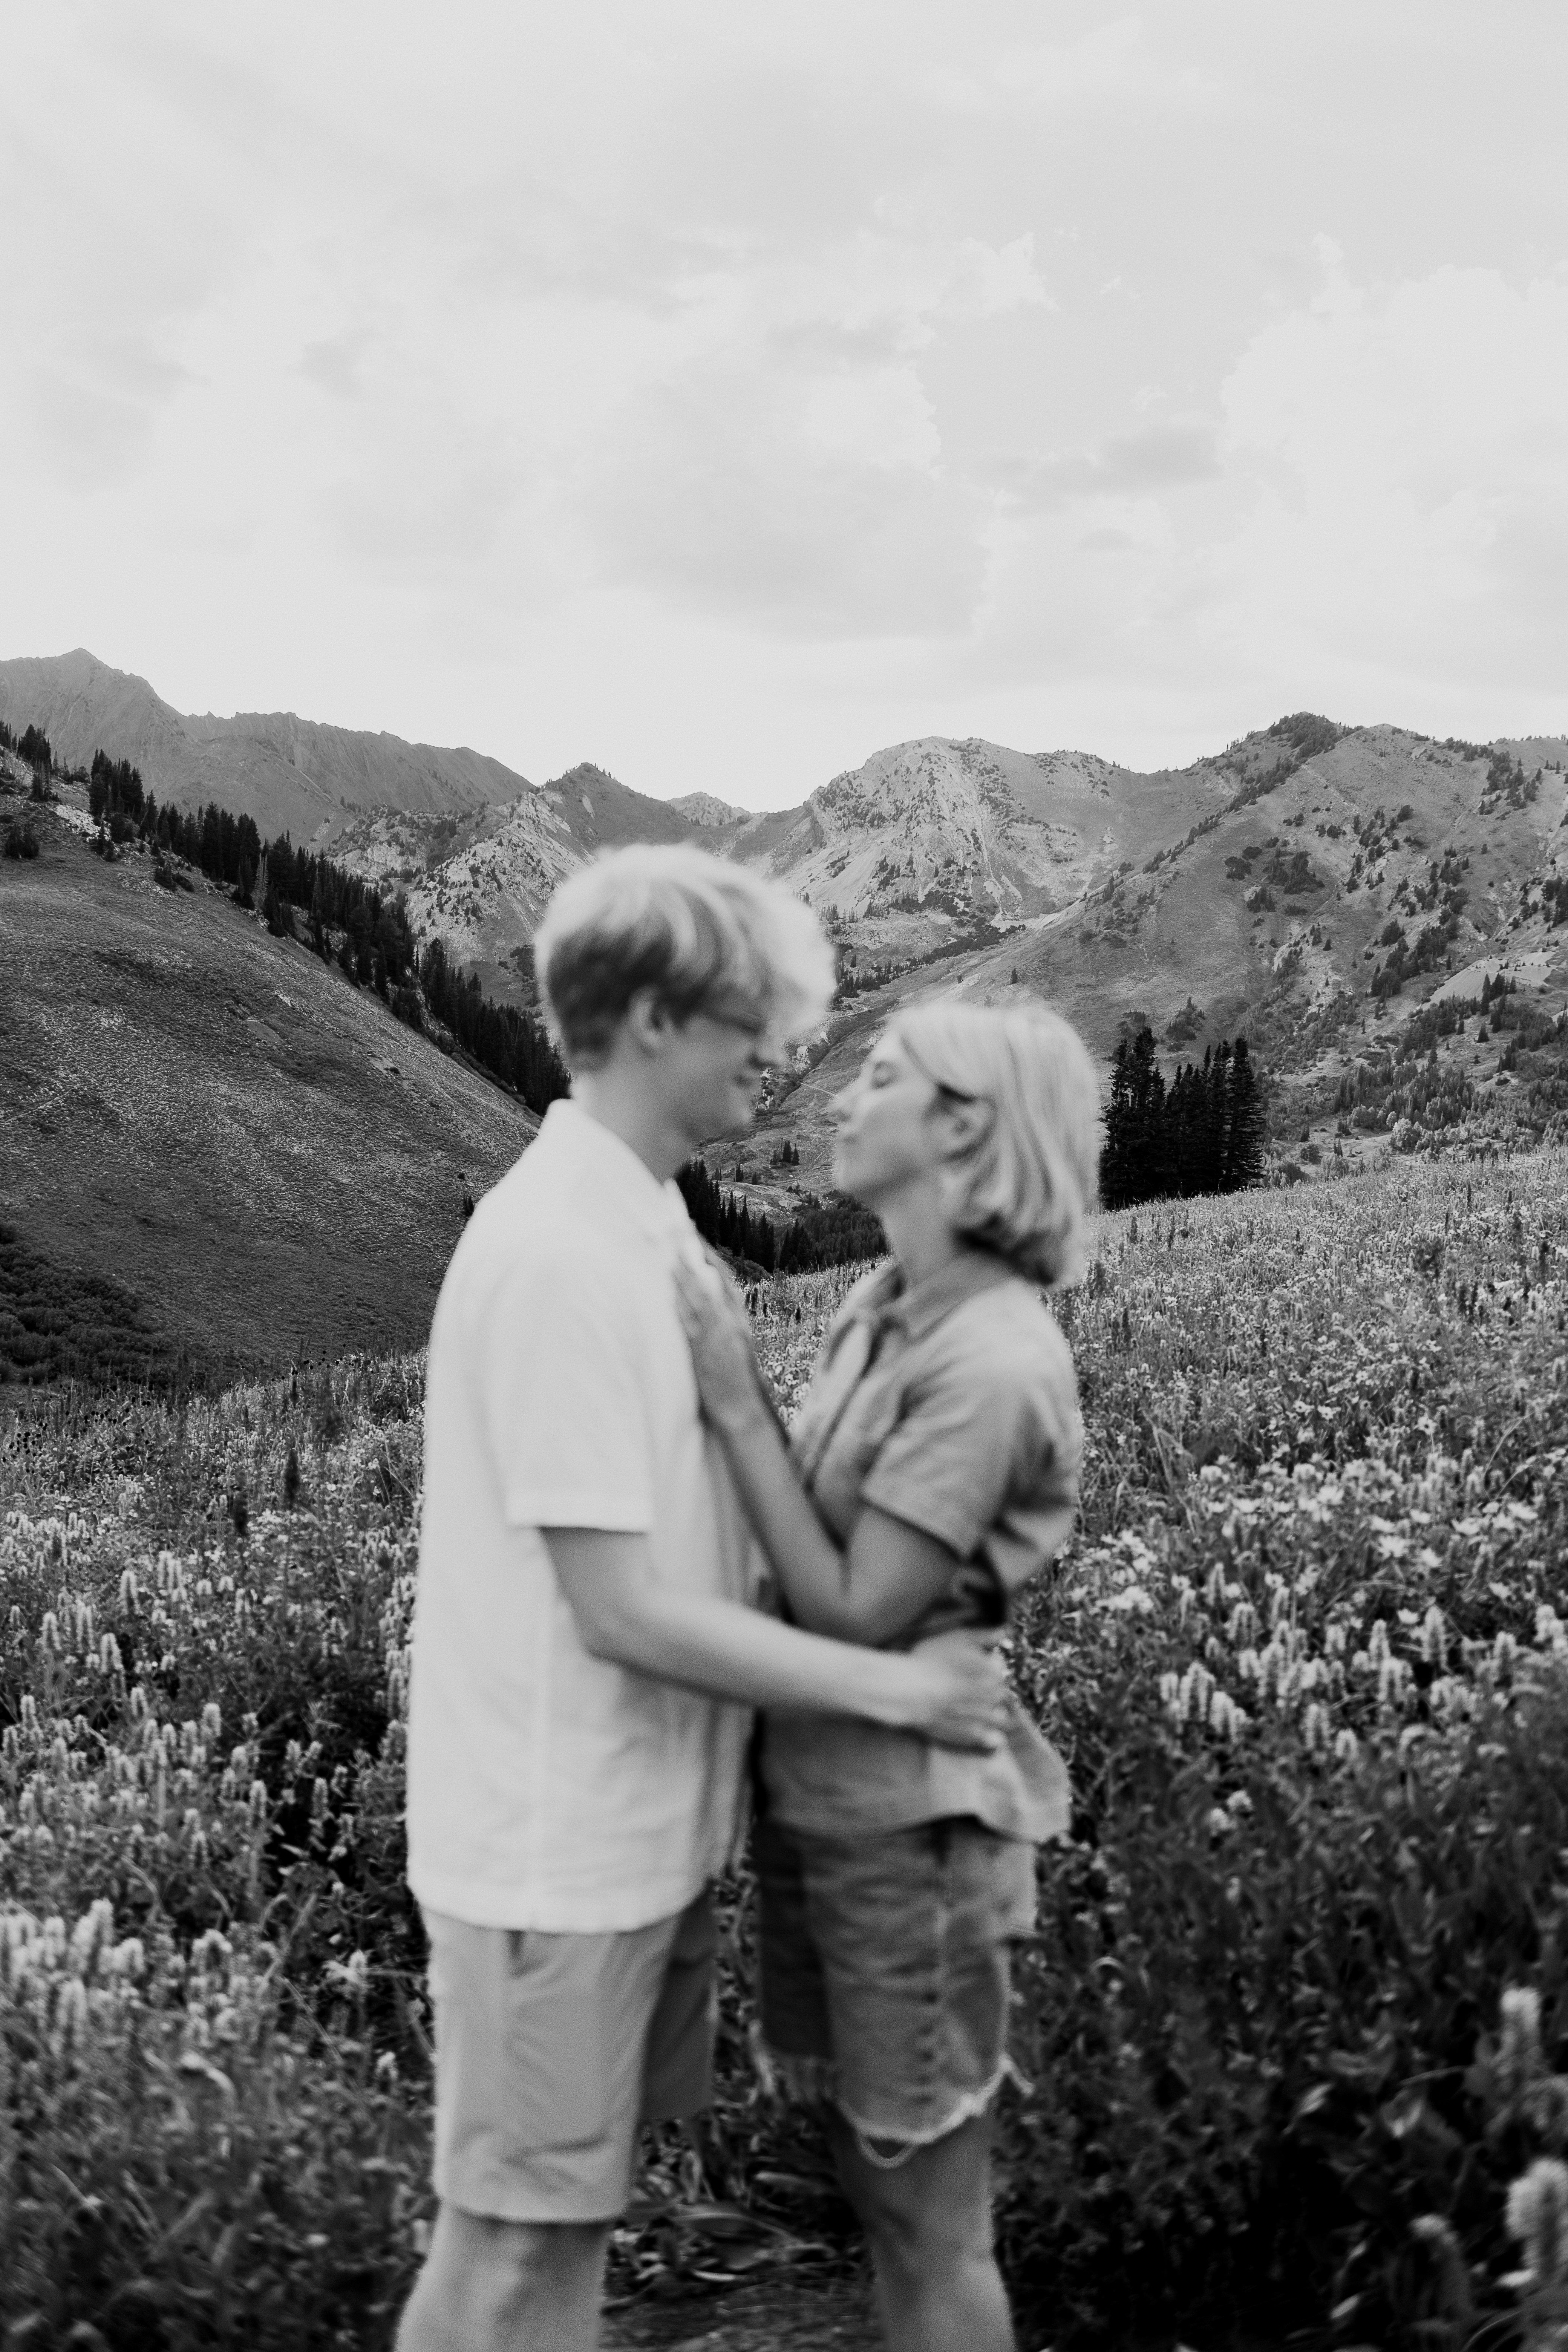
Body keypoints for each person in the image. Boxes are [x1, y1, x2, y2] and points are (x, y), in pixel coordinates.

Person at [396, 848, 1011, 2352]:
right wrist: (894, 1692)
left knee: (560, 2238)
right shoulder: (560, 1253)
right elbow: (614, 1612)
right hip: (557, 1853)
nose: (779, 1048)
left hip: (635, 1836)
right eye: (753, 1016)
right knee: (512, 2258)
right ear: (660, 1019)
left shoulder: (646, 1225)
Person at [674, 1000, 1100, 2352]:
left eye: (880, 1078)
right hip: (829, 1800)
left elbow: (856, 1611)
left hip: (915, 1832)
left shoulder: (994, 1360)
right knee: (876, 2177)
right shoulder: (888, 1304)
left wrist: (732, 1394)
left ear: (962, 1127)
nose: (839, 1100)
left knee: (930, 2217)